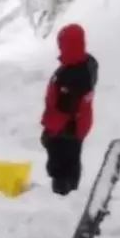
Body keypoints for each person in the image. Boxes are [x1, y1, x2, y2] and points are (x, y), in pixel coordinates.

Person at [40, 23, 98, 195]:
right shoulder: (87, 64)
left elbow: (63, 111)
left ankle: (62, 196)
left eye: (61, 43)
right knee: (73, 160)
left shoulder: (71, 76)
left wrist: (49, 132)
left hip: (65, 132)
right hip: (79, 126)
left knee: (61, 167)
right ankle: (71, 192)